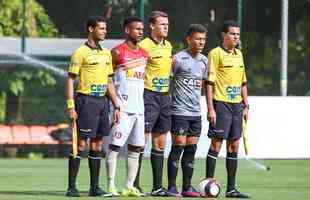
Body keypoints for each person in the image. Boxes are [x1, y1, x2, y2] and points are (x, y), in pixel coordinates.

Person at [65, 16, 120, 197]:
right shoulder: (80, 52)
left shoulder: (106, 53)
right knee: (80, 144)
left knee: (97, 145)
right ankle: (71, 188)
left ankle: (94, 188)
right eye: (101, 28)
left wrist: (116, 105)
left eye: (105, 28)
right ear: (91, 29)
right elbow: (70, 80)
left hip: (102, 102)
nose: (105, 31)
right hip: (85, 102)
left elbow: (109, 81)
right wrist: (71, 106)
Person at [205, 20, 250, 198]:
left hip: (237, 106)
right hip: (221, 104)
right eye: (233, 34)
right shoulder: (215, 53)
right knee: (216, 144)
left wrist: (246, 105)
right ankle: (208, 185)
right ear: (224, 35)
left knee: (234, 145)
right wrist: (210, 108)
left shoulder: (239, 54)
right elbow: (209, 83)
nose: (236, 37)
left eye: (238, 34)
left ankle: (231, 189)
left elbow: (243, 83)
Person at [105, 17, 148, 197]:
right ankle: (110, 185)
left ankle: (129, 186)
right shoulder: (116, 52)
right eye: (136, 29)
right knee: (114, 147)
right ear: (127, 30)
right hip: (122, 108)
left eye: (141, 29)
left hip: (139, 109)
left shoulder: (145, 54)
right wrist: (115, 103)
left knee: (136, 148)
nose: (140, 31)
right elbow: (108, 79)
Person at [134, 10, 173, 196]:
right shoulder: (143, 46)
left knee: (160, 144)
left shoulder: (169, 46)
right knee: (141, 142)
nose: (166, 27)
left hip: (165, 98)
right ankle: (134, 183)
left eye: (167, 24)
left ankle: (157, 187)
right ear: (152, 26)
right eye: (162, 24)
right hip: (148, 96)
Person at [167, 24, 208, 198]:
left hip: (195, 113)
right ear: (189, 39)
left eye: (203, 39)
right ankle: (171, 187)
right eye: (198, 39)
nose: (201, 42)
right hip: (179, 112)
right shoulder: (178, 59)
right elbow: (168, 82)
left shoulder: (204, 61)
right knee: (178, 147)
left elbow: (204, 86)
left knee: (191, 149)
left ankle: (187, 187)